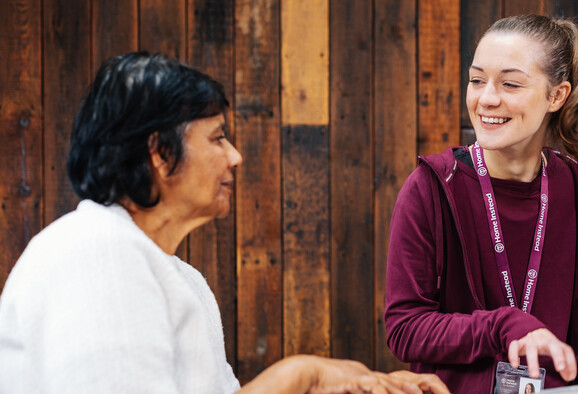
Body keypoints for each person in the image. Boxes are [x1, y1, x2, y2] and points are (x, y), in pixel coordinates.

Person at [0, 52, 449, 394]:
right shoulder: (96, 252)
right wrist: (300, 372)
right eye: (217, 137)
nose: (235, 156)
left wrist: (337, 383)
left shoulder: (181, 277)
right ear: (159, 152)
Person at [384, 14, 578, 393]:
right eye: (477, 80)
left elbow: (567, 304)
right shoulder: (429, 187)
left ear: (556, 96)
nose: (486, 98)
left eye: (510, 83)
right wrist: (503, 326)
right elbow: (405, 329)